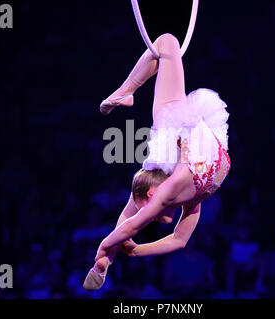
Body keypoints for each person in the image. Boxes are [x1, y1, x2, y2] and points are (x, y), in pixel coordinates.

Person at [84, 33, 231, 291]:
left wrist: (103, 252)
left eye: (146, 211)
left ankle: (124, 92)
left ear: (153, 194)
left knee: (167, 43)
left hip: (179, 130)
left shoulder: (168, 191)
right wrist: (136, 250)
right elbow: (178, 241)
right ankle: (125, 92)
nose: (149, 219)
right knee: (166, 45)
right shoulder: (188, 201)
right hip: (193, 139)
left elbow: (131, 223)